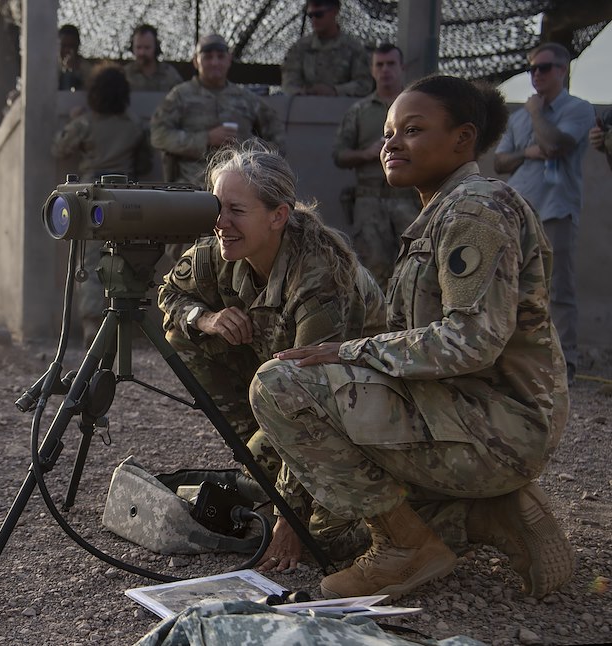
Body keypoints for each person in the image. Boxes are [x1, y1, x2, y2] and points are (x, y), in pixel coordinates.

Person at [248, 75, 574, 601]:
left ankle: (408, 547)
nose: (390, 144)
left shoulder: (475, 209)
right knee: (333, 531)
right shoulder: (441, 211)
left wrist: (346, 353)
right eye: (387, 133)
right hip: (467, 416)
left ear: (463, 138)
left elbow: (471, 342)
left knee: (280, 386)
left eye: (413, 130)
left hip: (497, 425)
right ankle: (488, 512)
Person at [158, 138, 386, 559]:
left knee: (324, 545)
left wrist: (289, 516)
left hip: (358, 415)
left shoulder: (320, 275)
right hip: (285, 394)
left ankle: (442, 518)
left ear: (278, 216)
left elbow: (313, 399)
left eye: (236, 211)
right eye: (216, 208)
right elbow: (170, 294)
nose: (221, 223)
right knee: (183, 339)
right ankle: (260, 467)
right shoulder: (220, 250)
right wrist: (206, 319)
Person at [494, 43, 594, 385]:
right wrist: (528, 152)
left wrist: (537, 112)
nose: (537, 74)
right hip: (519, 210)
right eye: (532, 69)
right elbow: (500, 162)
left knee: (558, 289)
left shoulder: (578, 109)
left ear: (563, 70)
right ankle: (518, 364)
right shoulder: (519, 117)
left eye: (545, 67)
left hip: (556, 210)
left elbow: (555, 145)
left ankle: (564, 367)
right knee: (514, 286)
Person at [150, 33, 285, 261]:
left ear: (229, 60)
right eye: (207, 56)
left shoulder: (245, 98)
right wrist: (204, 138)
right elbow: (159, 135)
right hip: (192, 198)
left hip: (238, 203)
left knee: (236, 266)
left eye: (220, 56)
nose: (214, 62)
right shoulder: (181, 96)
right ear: (196, 61)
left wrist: (255, 162)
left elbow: (276, 138)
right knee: (188, 264)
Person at [52, 64, 153, 345]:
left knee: (91, 262)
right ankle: (123, 325)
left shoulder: (85, 124)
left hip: (91, 198)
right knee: (125, 261)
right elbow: (145, 163)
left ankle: (91, 325)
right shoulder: (134, 125)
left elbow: (58, 147)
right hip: (126, 198)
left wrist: (73, 119)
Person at [333, 43, 421, 288]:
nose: (385, 70)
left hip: (408, 198)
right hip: (369, 201)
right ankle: (380, 325)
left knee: (417, 265)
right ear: (372, 70)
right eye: (379, 65)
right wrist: (366, 153)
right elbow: (339, 155)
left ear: (401, 67)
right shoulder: (359, 111)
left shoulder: (417, 108)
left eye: (391, 64)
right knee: (374, 272)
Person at [281, 0, 373, 97]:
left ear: (334, 12)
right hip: (306, 106)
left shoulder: (354, 48)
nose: (314, 20)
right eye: (310, 16)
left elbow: (364, 84)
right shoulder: (300, 48)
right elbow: (289, 81)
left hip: (343, 107)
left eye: (319, 15)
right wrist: (303, 93)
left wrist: (335, 91)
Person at [123, 24, 183, 92]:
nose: (142, 52)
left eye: (147, 48)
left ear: (156, 47)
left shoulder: (170, 75)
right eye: (138, 47)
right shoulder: (125, 75)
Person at [58, 24, 92, 91]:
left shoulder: (87, 69)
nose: (67, 50)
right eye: (64, 46)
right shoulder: (51, 67)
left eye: (71, 46)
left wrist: (76, 72)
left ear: (77, 45)